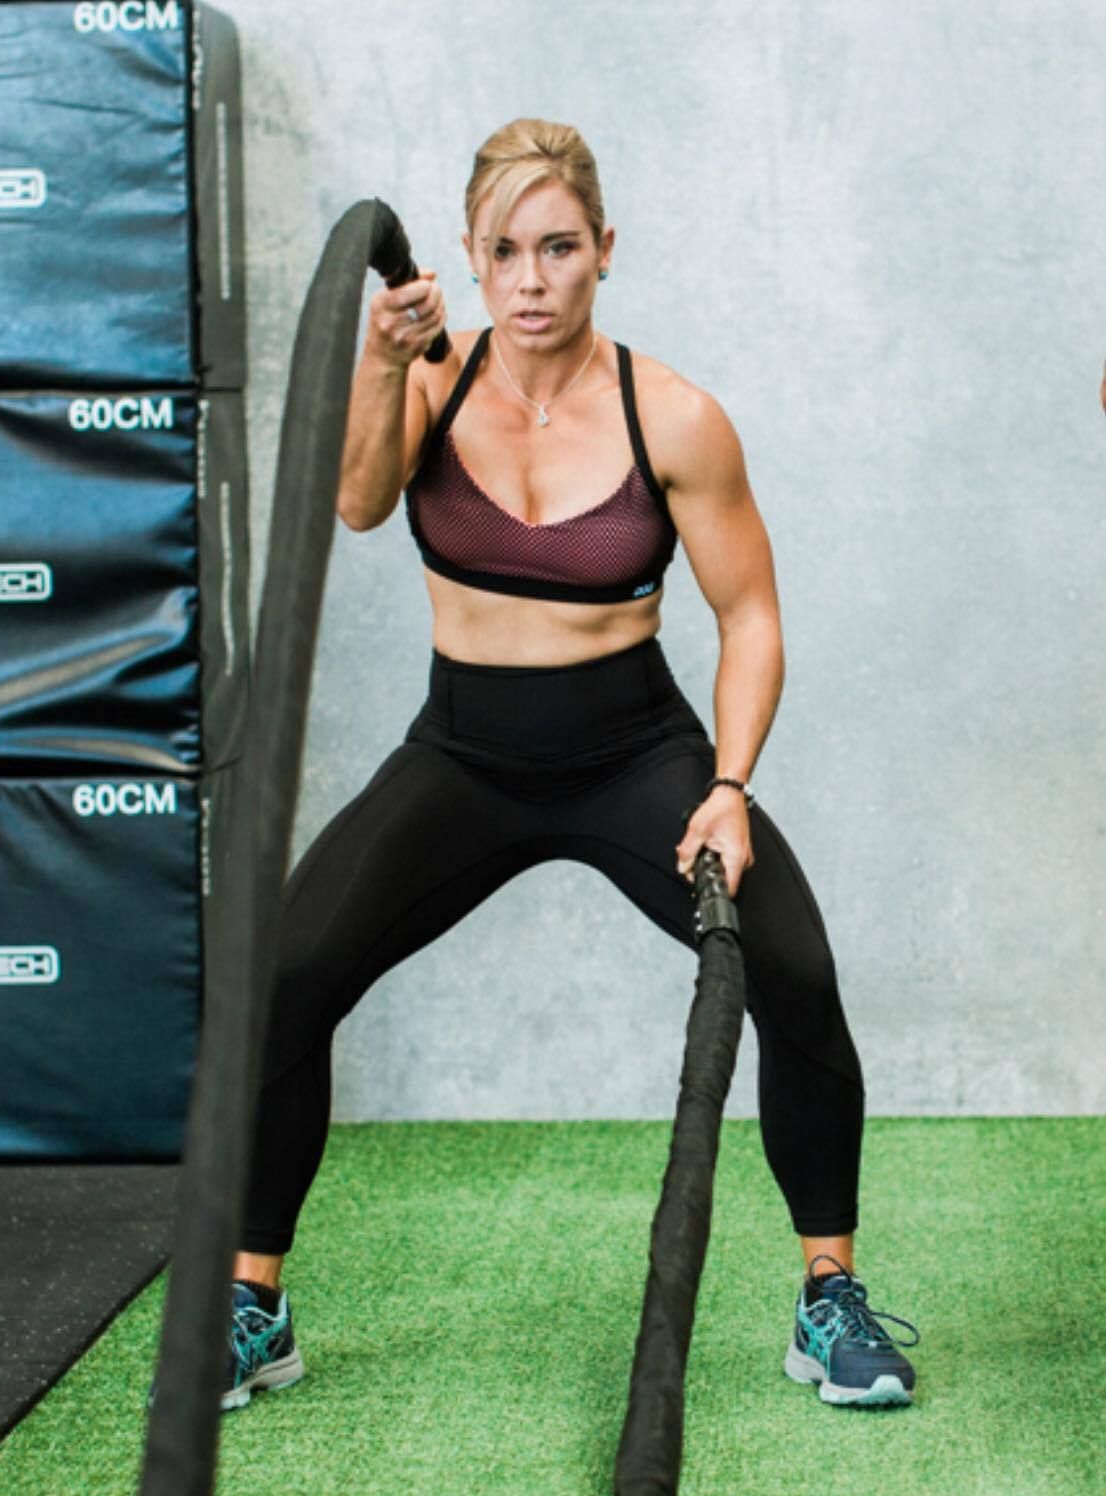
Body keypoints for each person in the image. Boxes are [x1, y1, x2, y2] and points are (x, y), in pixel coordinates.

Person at [219, 118, 920, 1413]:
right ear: (470, 258)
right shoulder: (431, 381)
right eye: (505, 252)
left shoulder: (675, 416)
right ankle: (254, 1305)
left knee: (796, 974)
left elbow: (751, 618)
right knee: (287, 977)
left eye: (557, 248)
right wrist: (380, 362)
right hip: (463, 754)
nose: (531, 279)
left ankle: (829, 1298)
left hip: (633, 752)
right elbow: (358, 503)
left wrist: (727, 787)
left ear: (604, 249)